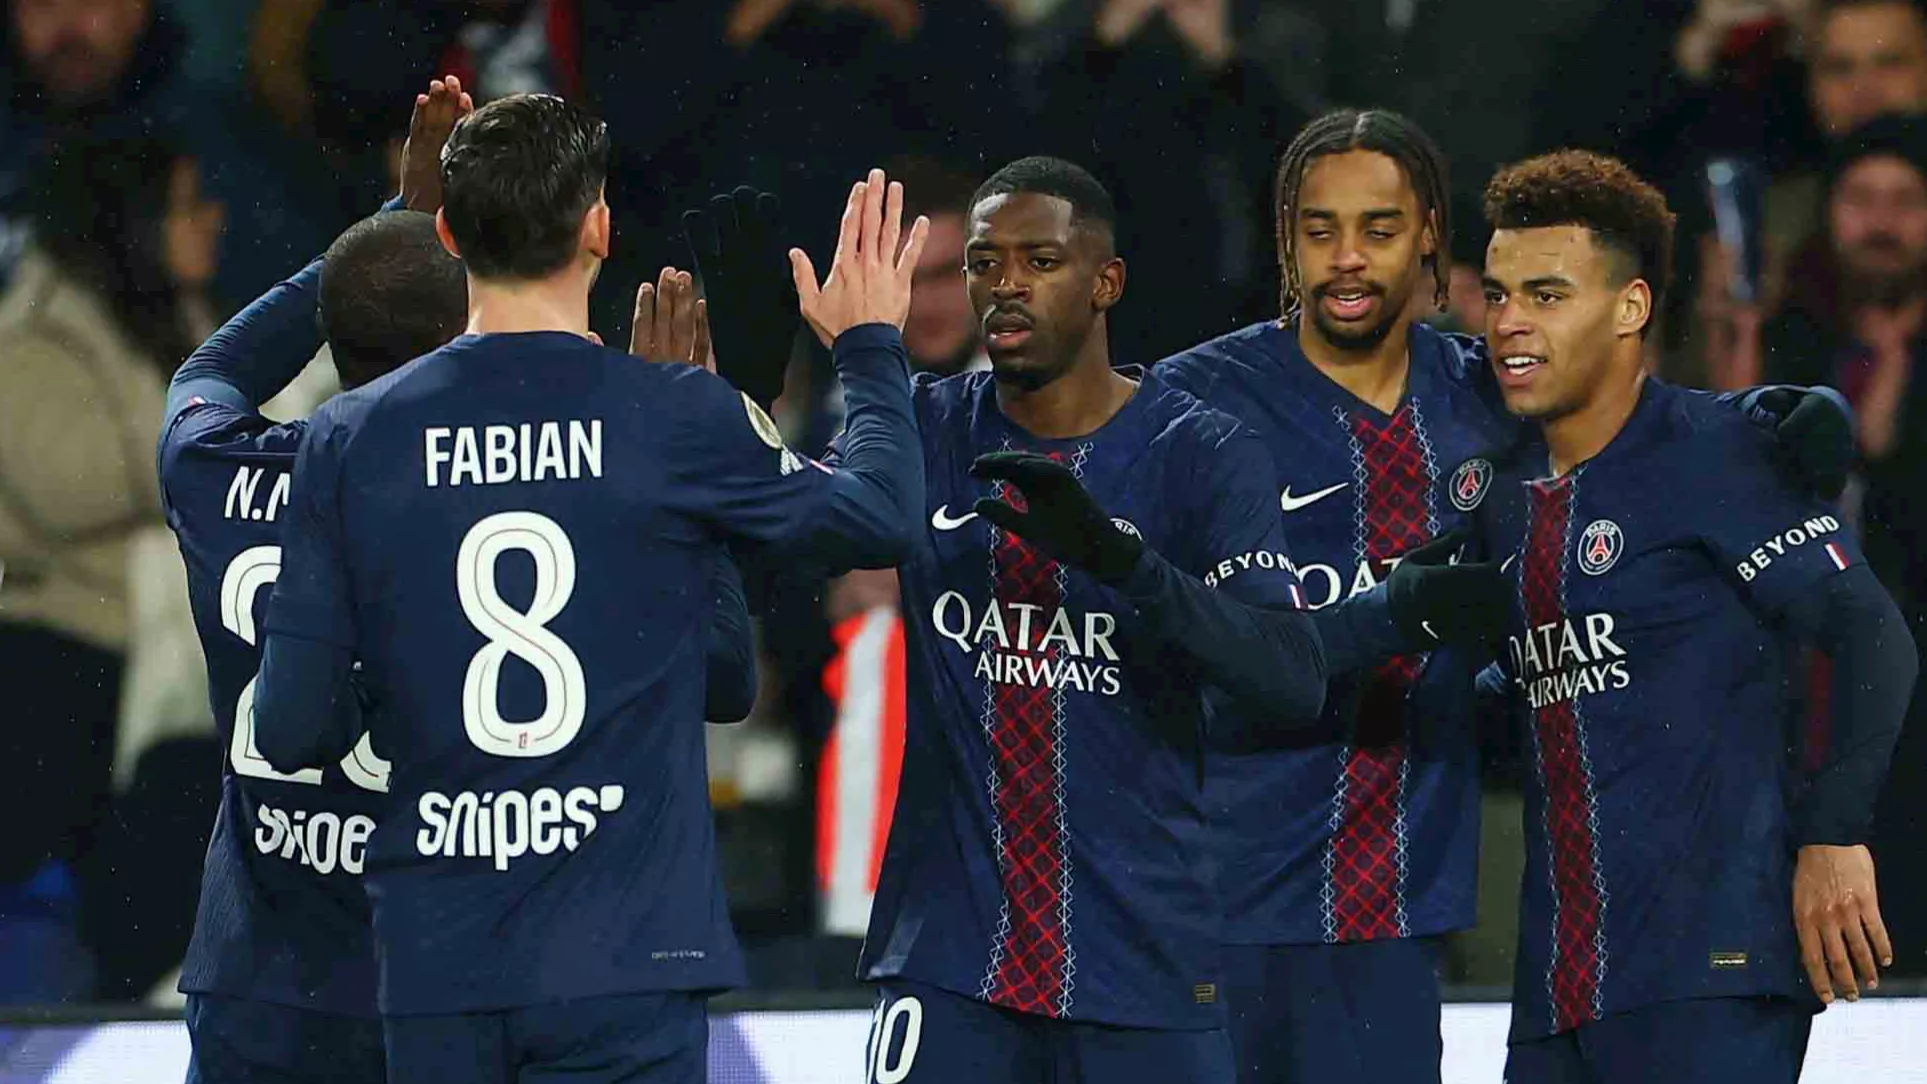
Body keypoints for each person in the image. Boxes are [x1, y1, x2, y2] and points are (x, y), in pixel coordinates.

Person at [1153, 107, 1862, 1084]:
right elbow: (1157, 628)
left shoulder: (1487, 395)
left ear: (1429, 237)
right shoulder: (1190, 405)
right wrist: (1386, 617)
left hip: (1390, 912)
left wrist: (1758, 419)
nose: (1347, 258)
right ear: (1285, 240)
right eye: (1320, 230)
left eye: (1378, 229)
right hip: (1198, 900)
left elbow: (1626, 421)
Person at [249, 90, 928, 1084]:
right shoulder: (673, 417)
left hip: (441, 953)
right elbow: (883, 517)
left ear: (448, 233)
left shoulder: (349, 436)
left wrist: (403, 675)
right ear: (599, 226)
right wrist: (866, 346)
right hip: (629, 953)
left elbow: (290, 728)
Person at [830, 155, 1498, 1084]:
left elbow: (1285, 677)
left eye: (1039, 261)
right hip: (948, 962)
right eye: (984, 263)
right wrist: (776, 374)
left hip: (1145, 966)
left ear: (1106, 282)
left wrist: (1123, 564)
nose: (1006, 284)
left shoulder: (1200, 449)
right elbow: (798, 531)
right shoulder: (927, 427)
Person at [1473, 149, 1913, 1083]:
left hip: (1709, 970)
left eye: (1546, 295)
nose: (1509, 321)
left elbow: (1872, 635)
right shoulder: (1504, 499)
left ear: (1629, 307)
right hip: (1558, 987)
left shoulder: (1717, 450)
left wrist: (1833, 835)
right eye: (1499, 293)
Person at [157, 80, 472, 1083]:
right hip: (431, 969)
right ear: (459, 343)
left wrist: (394, 219)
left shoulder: (207, 464)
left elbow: (214, 365)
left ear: (332, 336)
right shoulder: (488, 494)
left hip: (256, 975)